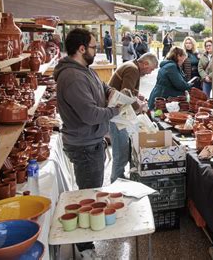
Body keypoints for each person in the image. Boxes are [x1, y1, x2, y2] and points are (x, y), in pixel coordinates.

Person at [54, 28, 120, 259]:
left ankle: (84, 243)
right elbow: (90, 115)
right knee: (87, 196)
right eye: (93, 47)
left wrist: (113, 92)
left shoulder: (85, 70)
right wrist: (117, 109)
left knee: (90, 191)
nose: (96, 50)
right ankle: (85, 248)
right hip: (84, 145)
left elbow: (103, 87)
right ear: (81, 49)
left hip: (91, 141)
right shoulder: (72, 77)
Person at [108, 53, 158, 183]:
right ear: (145, 63)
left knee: (122, 149)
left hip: (118, 113)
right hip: (117, 115)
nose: (149, 73)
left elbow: (127, 90)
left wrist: (138, 96)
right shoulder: (133, 69)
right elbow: (126, 94)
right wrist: (139, 107)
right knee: (121, 151)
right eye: (151, 69)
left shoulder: (131, 66)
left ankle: (119, 178)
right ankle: (116, 181)